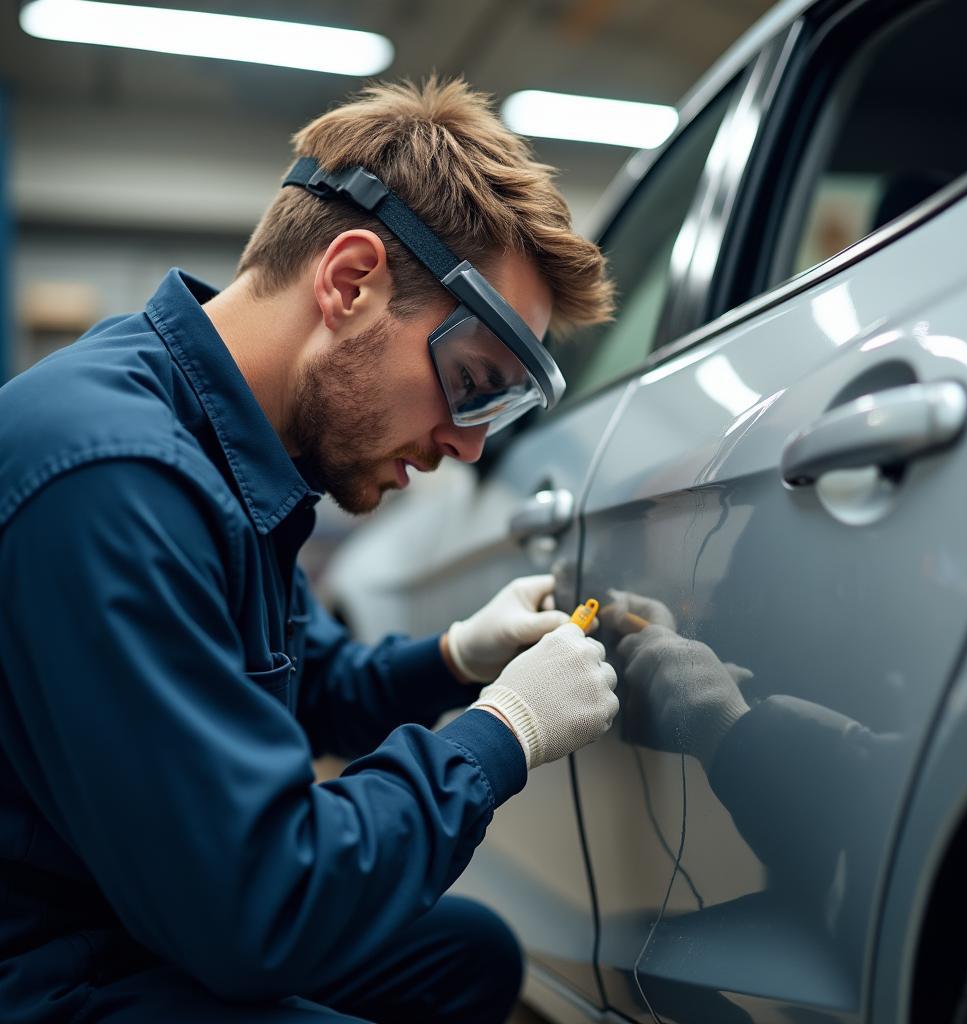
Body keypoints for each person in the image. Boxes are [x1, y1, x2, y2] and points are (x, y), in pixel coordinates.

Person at [0, 78, 620, 1024]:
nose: (470, 444)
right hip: (44, 970)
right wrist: (504, 735)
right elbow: (261, 909)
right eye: (471, 381)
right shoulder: (116, 476)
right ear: (350, 281)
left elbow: (311, 684)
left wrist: (457, 659)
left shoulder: (218, 439)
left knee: (467, 956)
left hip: (128, 914)